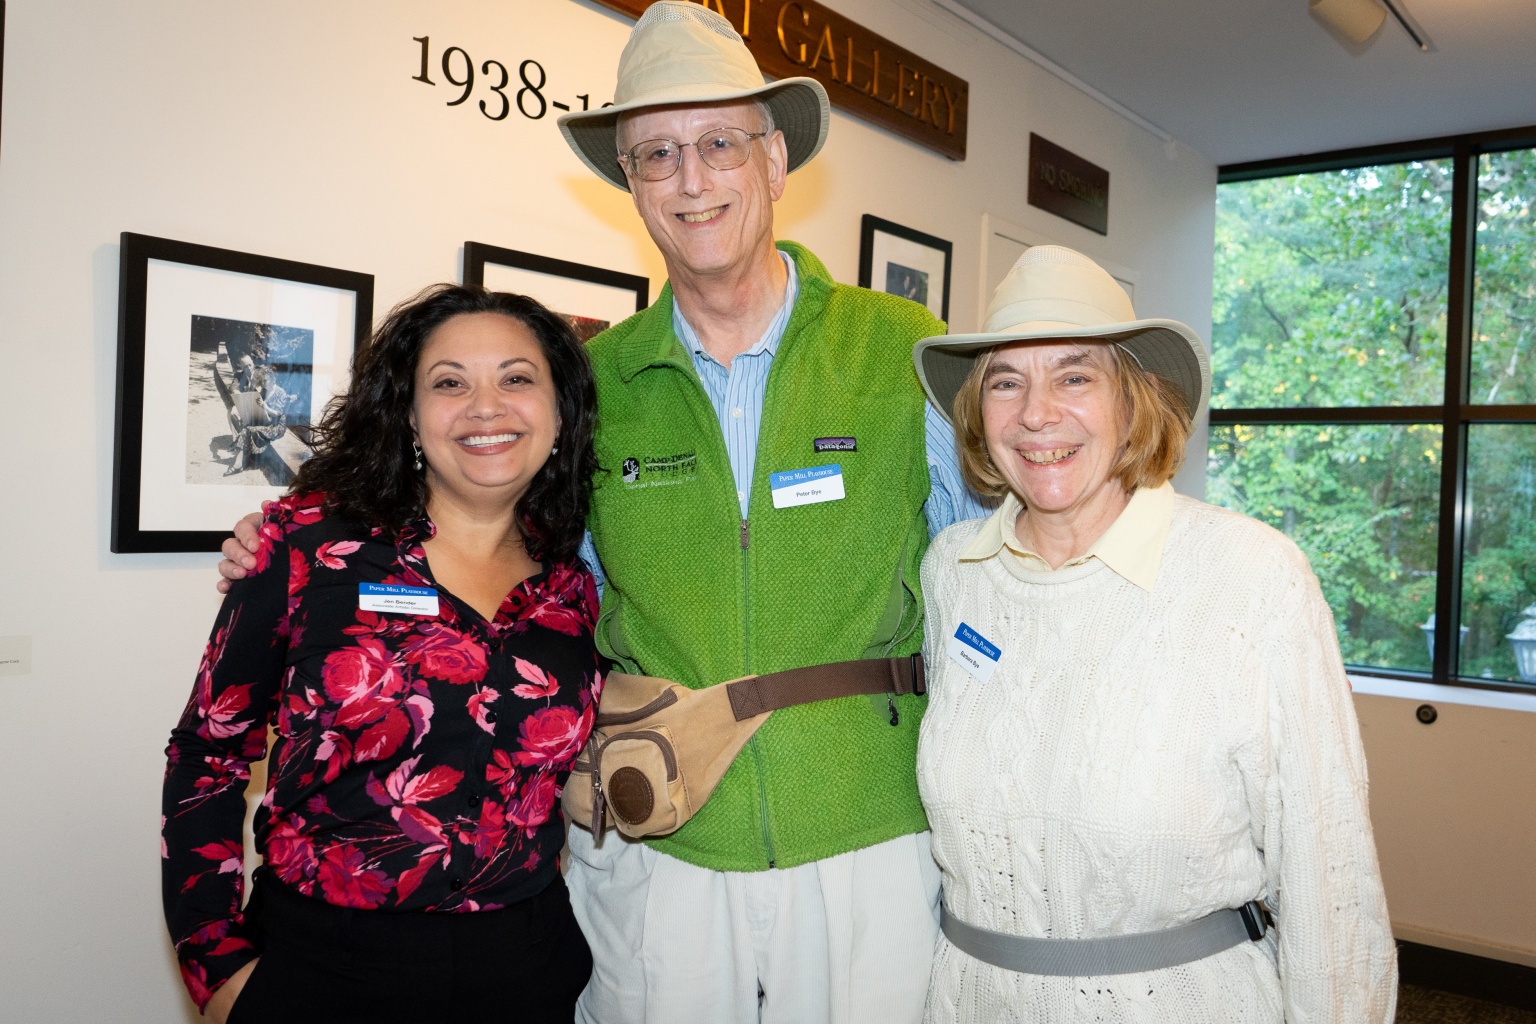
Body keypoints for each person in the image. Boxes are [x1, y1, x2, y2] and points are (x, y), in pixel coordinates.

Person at [219, 5, 987, 1022]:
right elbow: (486, 527)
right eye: (657, 154)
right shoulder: (596, 380)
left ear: (773, 162)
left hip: (868, 838)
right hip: (658, 838)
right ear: (632, 183)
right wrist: (298, 536)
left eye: (719, 144)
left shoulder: (899, 349)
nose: (691, 179)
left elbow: (994, 561)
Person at [911, 246, 1397, 1022]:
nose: (1037, 413)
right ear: (977, 412)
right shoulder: (953, 571)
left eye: (1075, 377)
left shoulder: (1250, 575)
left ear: (1134, 402)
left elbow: (1327, 868)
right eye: (1006, 381)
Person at [165, 285, 602, 1023]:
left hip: (526, 964)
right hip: (321, 967)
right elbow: (208, 751)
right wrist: (216, 964)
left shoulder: (581, 582)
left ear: (560, 413)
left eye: (517, 378)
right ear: (408, 414)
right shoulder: (308, 547)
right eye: (449, 383)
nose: (485, 406)